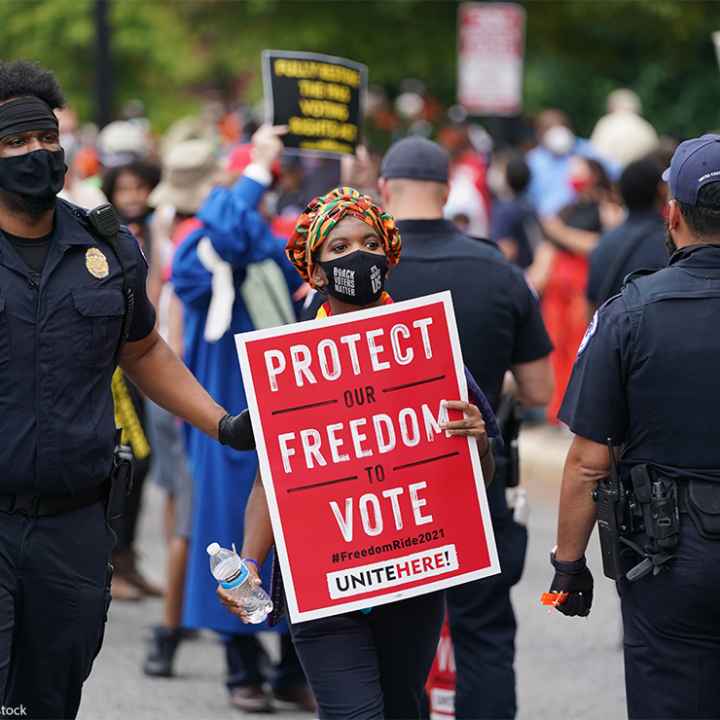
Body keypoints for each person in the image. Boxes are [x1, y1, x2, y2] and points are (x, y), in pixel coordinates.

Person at [0, 60, 257, 719]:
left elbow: (142, 349)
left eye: (46, 138)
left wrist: (222, 422)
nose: (37, 154)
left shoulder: (105, 247)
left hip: (75, 526)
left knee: (50, 697)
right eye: (15, 143)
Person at [219, 185, 498, 720]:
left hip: (412, 582)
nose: (359, 256)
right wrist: (251, 562)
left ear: (388, 256)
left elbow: (477, 480)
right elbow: (269, 479)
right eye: (340, 248)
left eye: (370, 242)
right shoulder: (290, 365)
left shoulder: (428, 351)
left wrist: (478, 440)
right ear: (316, 271)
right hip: (322, 581)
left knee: (400, 708)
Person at [377, 137, 554, 719]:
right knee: (482, 632)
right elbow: (538, 394)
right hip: (476, 476)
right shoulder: (498, 272)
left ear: (384, 191)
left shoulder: (357, 271)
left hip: (381, 490)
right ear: (448, 192)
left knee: (388, 640)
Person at [548, 133, 720, 719]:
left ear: (670, 215)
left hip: (671, 559)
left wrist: (568, 566)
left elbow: (590, 460)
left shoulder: (629, 314)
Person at [171, 126, 313, 713]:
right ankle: (240, 667)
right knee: (231, 537)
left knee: (293, 540)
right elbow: (226, 234)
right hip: (227, 420)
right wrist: (258, 164)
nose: (258, 196)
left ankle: (289, 668)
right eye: (250, 184)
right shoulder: (198, 247)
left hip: (283, 414)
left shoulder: (271, 252)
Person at [142, 138, 219, 677]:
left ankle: (178, 616)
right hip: (187, 392)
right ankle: (170, 628)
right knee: (191, 523)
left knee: (179, 512)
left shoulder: (168, 231)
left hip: (167, 389)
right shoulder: (204, 242)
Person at [536, 156, 619, 423]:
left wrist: (560, 233)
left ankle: (576, 411)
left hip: (582, 286)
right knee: (556, 345)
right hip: (557, 287)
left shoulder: (605, 208)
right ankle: (556, 409)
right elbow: (548, 248)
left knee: (578, 346)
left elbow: (600, 244)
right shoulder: (567, 209)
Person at [586, 156, 668, 310]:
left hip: (614, 331)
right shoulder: (672, 241)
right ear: (661, 190)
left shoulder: (603, 244)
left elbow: (592, 306)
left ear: (620, 193)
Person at [489, 153, 541, 269]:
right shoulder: (529, 204)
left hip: (516, 272)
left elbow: (505, 248)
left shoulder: (504, 210)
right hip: (531, 268)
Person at [590, 89, 659, 169]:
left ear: (611, 106)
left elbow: (595, 156)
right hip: (641, 177)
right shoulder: (647, 128)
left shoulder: (606, 124)